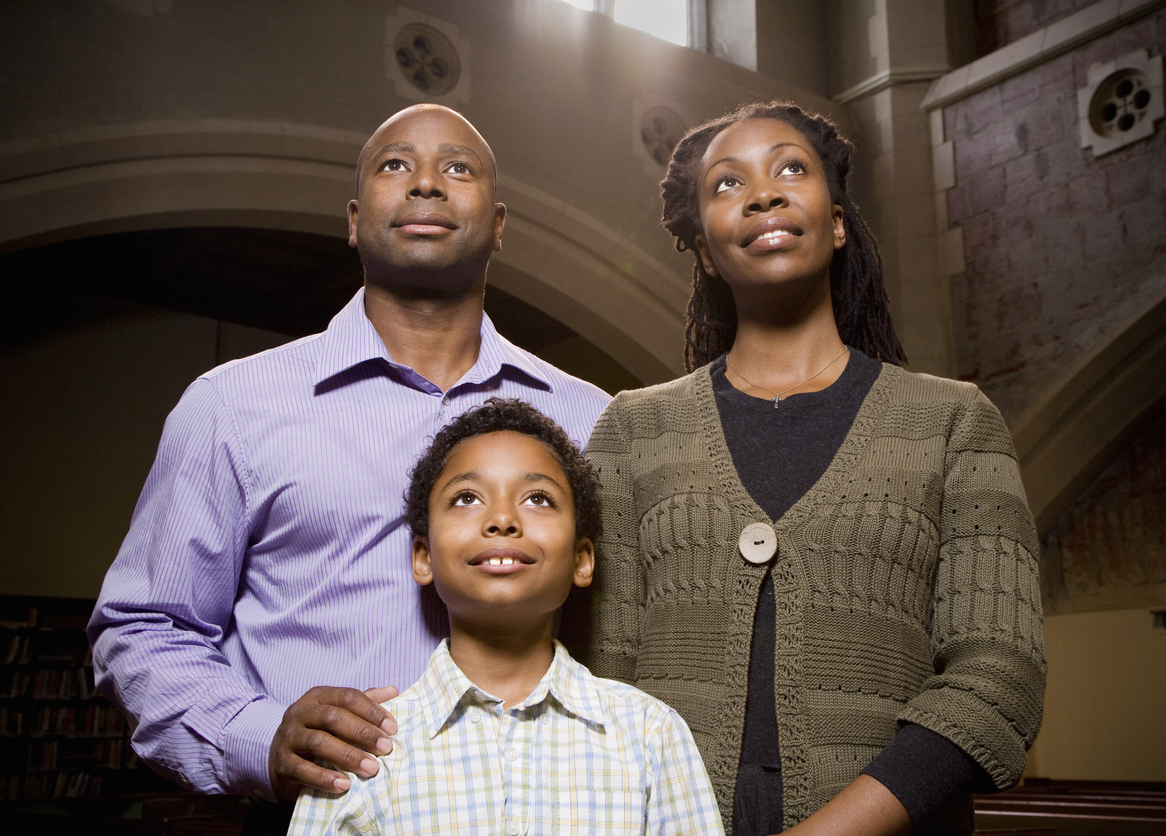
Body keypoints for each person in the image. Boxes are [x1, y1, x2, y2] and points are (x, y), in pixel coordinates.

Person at [87, 105, 610, 827]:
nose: (426, 183)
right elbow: (143, 627)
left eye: (458, 168)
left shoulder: (592, 420)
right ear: (355, 219)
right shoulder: (232, 406)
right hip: (310, 815)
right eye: (396, 164)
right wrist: (259, 735)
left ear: (498, 225)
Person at [577, 102, 1046, 836]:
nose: (763, 192)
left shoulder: (954, 422)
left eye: (791, 168)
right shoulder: (632, 429)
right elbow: (601, 675)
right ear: (704, 249)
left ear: (835, 224)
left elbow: (998, 678)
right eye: (728, 184)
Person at [287, 398, 724, 835]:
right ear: (423, 558)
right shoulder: (366, 749)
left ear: (581, 560)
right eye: (465, 498)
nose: (501, 519)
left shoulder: (649, 734)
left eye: (538, 498)